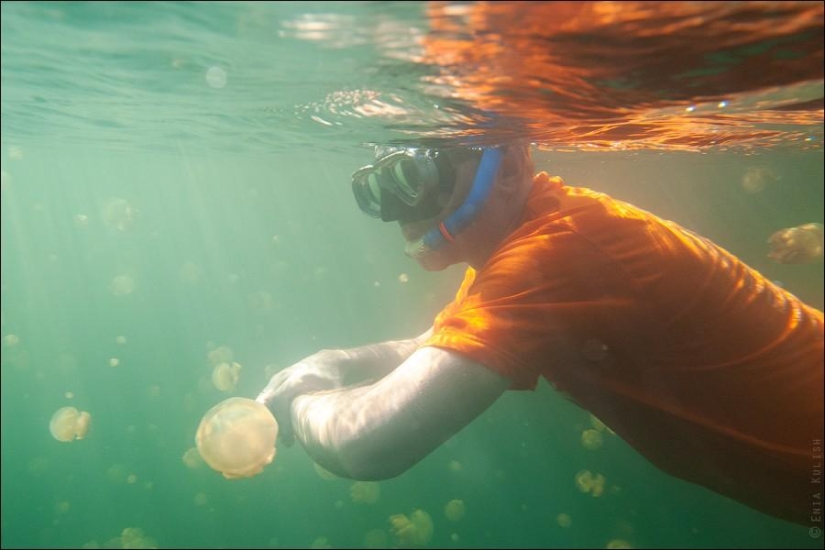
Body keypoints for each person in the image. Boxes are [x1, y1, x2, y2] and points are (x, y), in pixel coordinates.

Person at [256, 143, 823, 527]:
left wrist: (300, 405)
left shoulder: (552, 253)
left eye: (415, 177)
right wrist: (333, 363)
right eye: (381, 187)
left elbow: (368, 444)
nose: (400, 211)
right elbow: (434, 342)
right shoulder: (522, 241)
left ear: (506, 169)